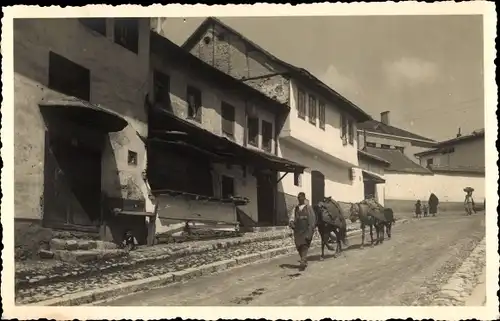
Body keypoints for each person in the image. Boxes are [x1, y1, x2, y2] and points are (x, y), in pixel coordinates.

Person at [289, 192, 316, 271]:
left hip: (306, 230)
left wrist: (311, 231)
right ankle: (303, 259)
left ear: (304, 199)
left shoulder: (309, 208)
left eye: (301, 198)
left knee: (304, 245)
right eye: (298, 198)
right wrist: (291, 222)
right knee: (298, 246)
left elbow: (312, 220)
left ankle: (303, 261)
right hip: (297, 230)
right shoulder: (295, 208)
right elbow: (292, 217)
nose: (299, 199)